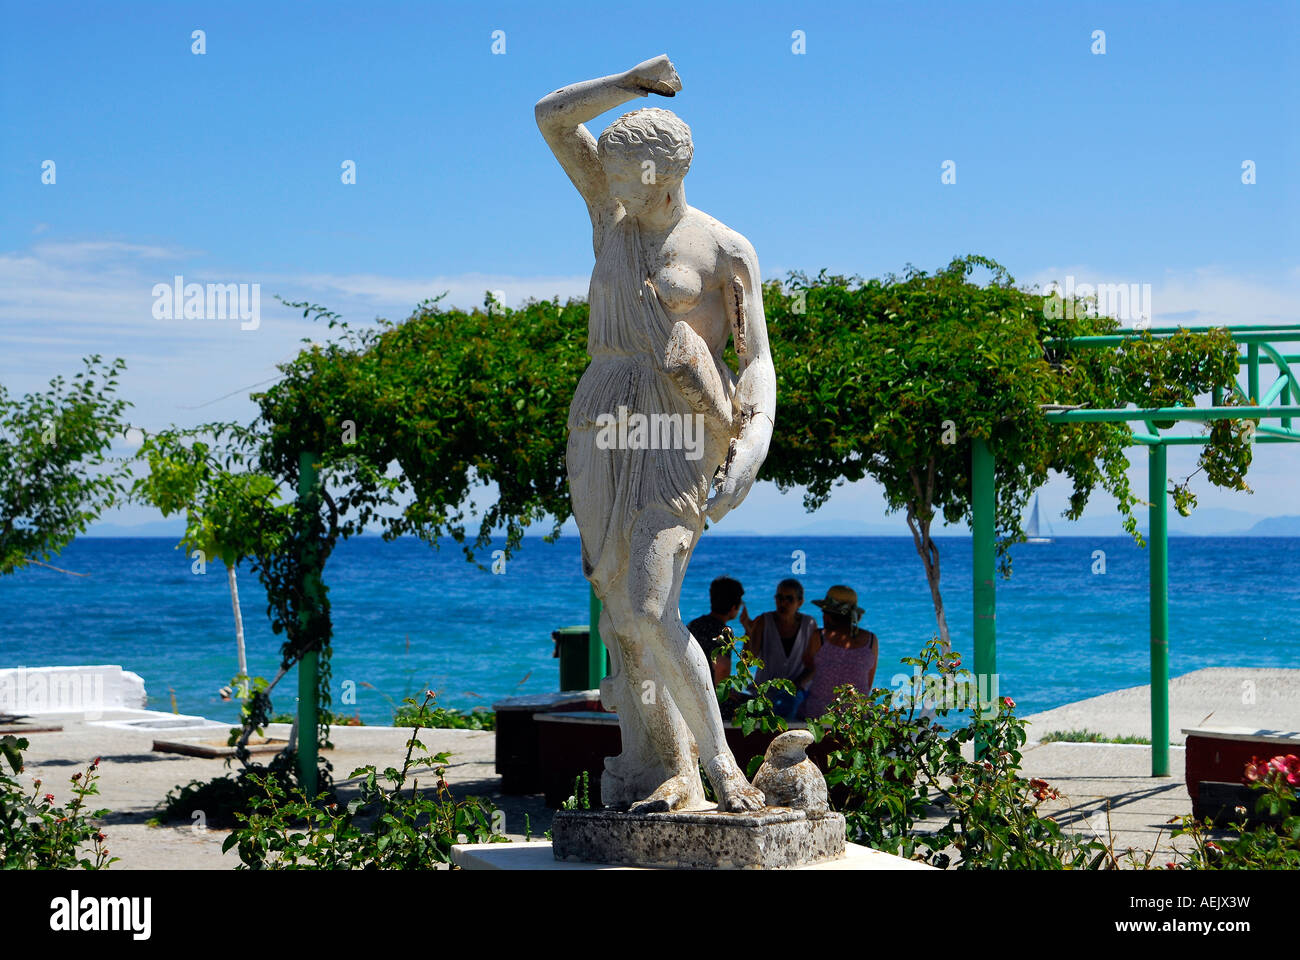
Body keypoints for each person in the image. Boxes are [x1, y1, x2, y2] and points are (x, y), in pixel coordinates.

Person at [537, 54, 777, 813]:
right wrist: (632, 83)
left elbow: (757, 360)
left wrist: (752, 443)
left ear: (665, 176)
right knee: (617, 607)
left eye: (624, 176)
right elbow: (551, 118)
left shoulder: (721, 248)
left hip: (678, 427)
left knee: (648, 604)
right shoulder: (610, 217)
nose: (607, 187)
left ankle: (721, 768)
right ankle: (658, 764)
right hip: (600, 416)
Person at [738, 578, 818, 719]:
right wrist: (748, 631)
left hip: (796, 693)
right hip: (764, 691)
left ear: (800, 602)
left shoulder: (809, 624)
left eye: (789, 599)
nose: (783, 603)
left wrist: (796, 687)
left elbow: (813, 665)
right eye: (779, 597)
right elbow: (748, 662)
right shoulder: (764, 621)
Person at [799, 585, 878, 720]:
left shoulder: (819, 637)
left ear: (828, 615)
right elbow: (867, 685)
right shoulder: (871, 640)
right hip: (858, 718)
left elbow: (808, 667)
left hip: (819, 716)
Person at [688, 577, 745, 685]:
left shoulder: (694, 624)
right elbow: (722, 667)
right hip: (709, 690)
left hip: (690, 684)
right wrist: (724, 691)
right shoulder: (724, 632)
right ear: (734, 607)